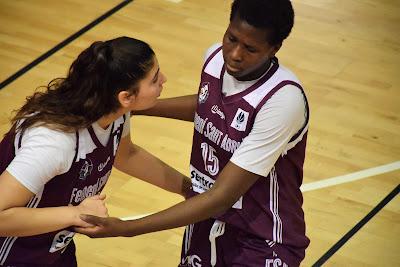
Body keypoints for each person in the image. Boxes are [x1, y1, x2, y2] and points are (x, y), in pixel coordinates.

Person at [76, 0, 310, 266]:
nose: (234, 54)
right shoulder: (214, 59)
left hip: (261, 237)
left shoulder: (282, 101)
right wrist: (137, 107)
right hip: (205, 221)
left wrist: (127, 228)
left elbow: (221, 197)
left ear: (274, 48)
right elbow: (207, 105)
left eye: (250, 48)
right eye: (231, 38)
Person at [0, 36, 191, 267]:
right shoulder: (55, 142)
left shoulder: (113, 113)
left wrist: (187, 188)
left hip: (52, 246)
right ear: (126, 97)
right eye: (154, 78)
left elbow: (126, 155)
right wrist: (76, 214)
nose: (164, 79)